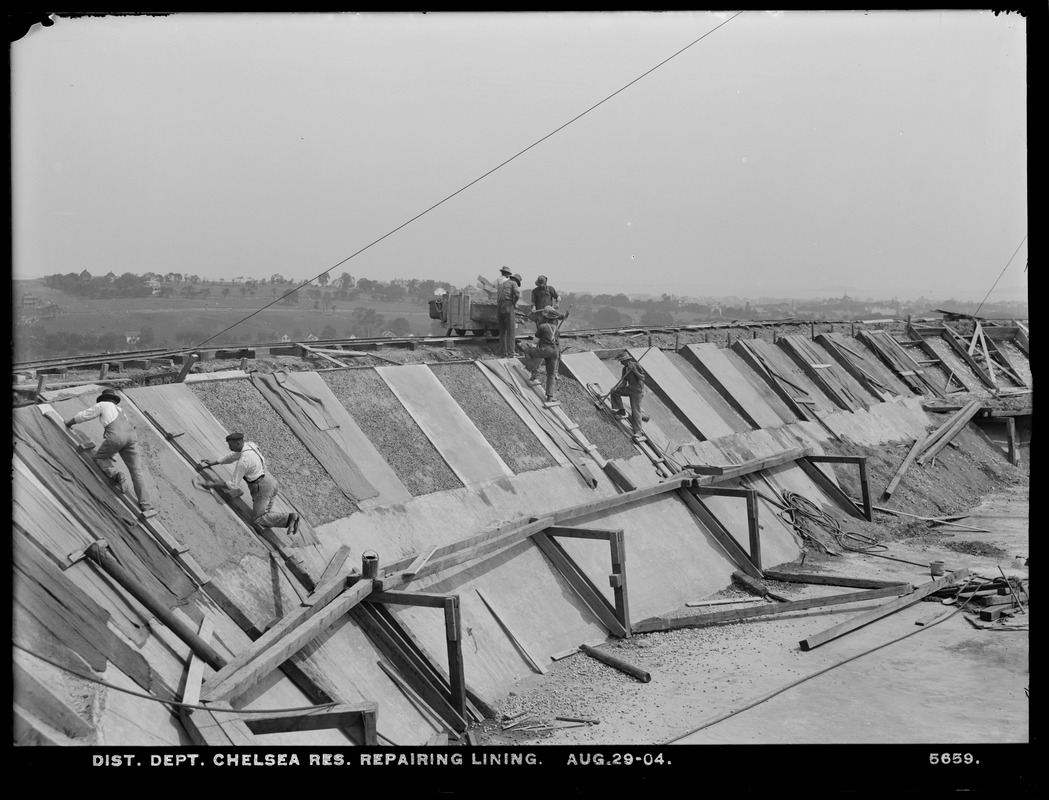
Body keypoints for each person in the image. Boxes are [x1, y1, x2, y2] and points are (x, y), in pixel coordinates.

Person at [65, 389, 156, 515]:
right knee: (137, 471)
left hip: (116, 437)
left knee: (99, 458)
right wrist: (114, 452)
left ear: (103, 399)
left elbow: (85, 415)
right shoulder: (121, 411)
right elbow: (131, 428)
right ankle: (147, 505)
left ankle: (115, 474)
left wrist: (69, 423)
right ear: (114, 401)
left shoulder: (103, 405)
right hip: (132, 438)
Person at [199, 433, 301, 535]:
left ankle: (290, 517)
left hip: (262, 488)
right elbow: (232, 457)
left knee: (258, 518)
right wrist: (214, 462)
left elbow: (232, 485)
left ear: (237, 443)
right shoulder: (250, 445)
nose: (229, 448)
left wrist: (212, 485)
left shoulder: (244, 461)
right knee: (266, 517)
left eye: (231, 445)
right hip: (271, 482)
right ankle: (290, 520)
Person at [521, 306, 563, 401]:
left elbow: (535, 341)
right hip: (555, 352)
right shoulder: (557, 330)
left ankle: (533, 369)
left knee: (527, 351)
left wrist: (533, 345)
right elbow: (557, 342)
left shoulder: (542, 326)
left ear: (547, 317)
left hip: (544, 350)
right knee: (551, 373)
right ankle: (550, 396)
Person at [609, 351, 650, 435]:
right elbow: (624, 382)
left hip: (637, 391)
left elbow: (643, 378)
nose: (621, 363)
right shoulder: (624, 369)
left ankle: (638, 431)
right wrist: (616, 387)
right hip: (630, 388)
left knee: (635, 411)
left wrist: (635, 371)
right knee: (615, 392)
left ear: (626, 360)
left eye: (621, 361)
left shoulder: (636, 365)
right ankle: (621, 411)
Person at [496, 271, 522, 357]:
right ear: (516, 281)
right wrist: (514, 303)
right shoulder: (513, 283)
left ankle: (502, 351)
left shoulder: (502, 284)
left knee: (502, 331)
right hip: (508, 305)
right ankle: (511, 351)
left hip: (499, 306)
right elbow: (517, 294)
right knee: (511, 330)